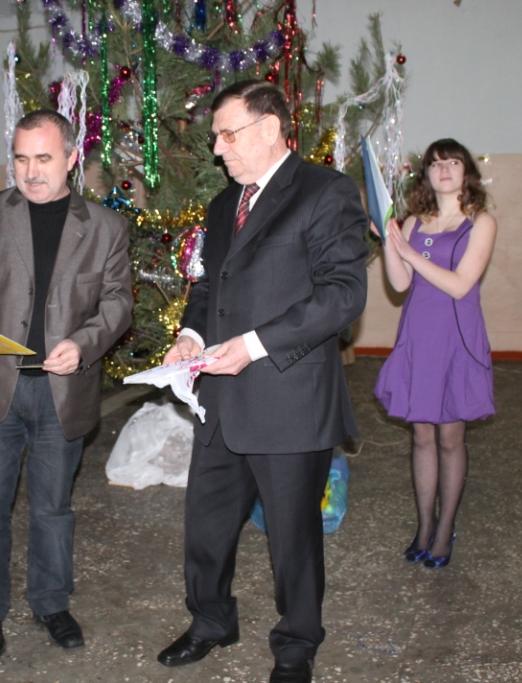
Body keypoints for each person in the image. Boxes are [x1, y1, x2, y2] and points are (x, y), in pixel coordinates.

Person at [156, 80, 368, 683]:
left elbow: (343, 294)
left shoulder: (325, 192)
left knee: (293, 539)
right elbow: (209, 287)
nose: (217, 148)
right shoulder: (226, 204)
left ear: (270, 128)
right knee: (206, 525)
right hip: (221, 400)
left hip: (288, 399)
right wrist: (191, 336)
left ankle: (297, 644)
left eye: (227, 134)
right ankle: (211, 621)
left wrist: (252, 346)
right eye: (216, 136)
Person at [0, 109, 132, 660]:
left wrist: (85, 343)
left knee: (53, 509)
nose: (30, 171)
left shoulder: (106, 227)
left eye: (43, 158)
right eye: (21, 158)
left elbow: (117, 303)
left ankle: (51, 603)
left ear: (71, 158)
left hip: (60, 394)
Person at [372, 138, 497, 569]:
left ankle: (446, 528)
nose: (444, 169)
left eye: (453, 162)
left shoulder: (481, 223)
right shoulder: (414, 223)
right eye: (436, 163)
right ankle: (425, 525)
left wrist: (408, 251)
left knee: (450, 437)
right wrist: (389, 243)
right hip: (419, 336)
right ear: (426, 174)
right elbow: (401, 283)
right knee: (422, 435)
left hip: (457, 338)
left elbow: (460, 285)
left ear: (467, 172)